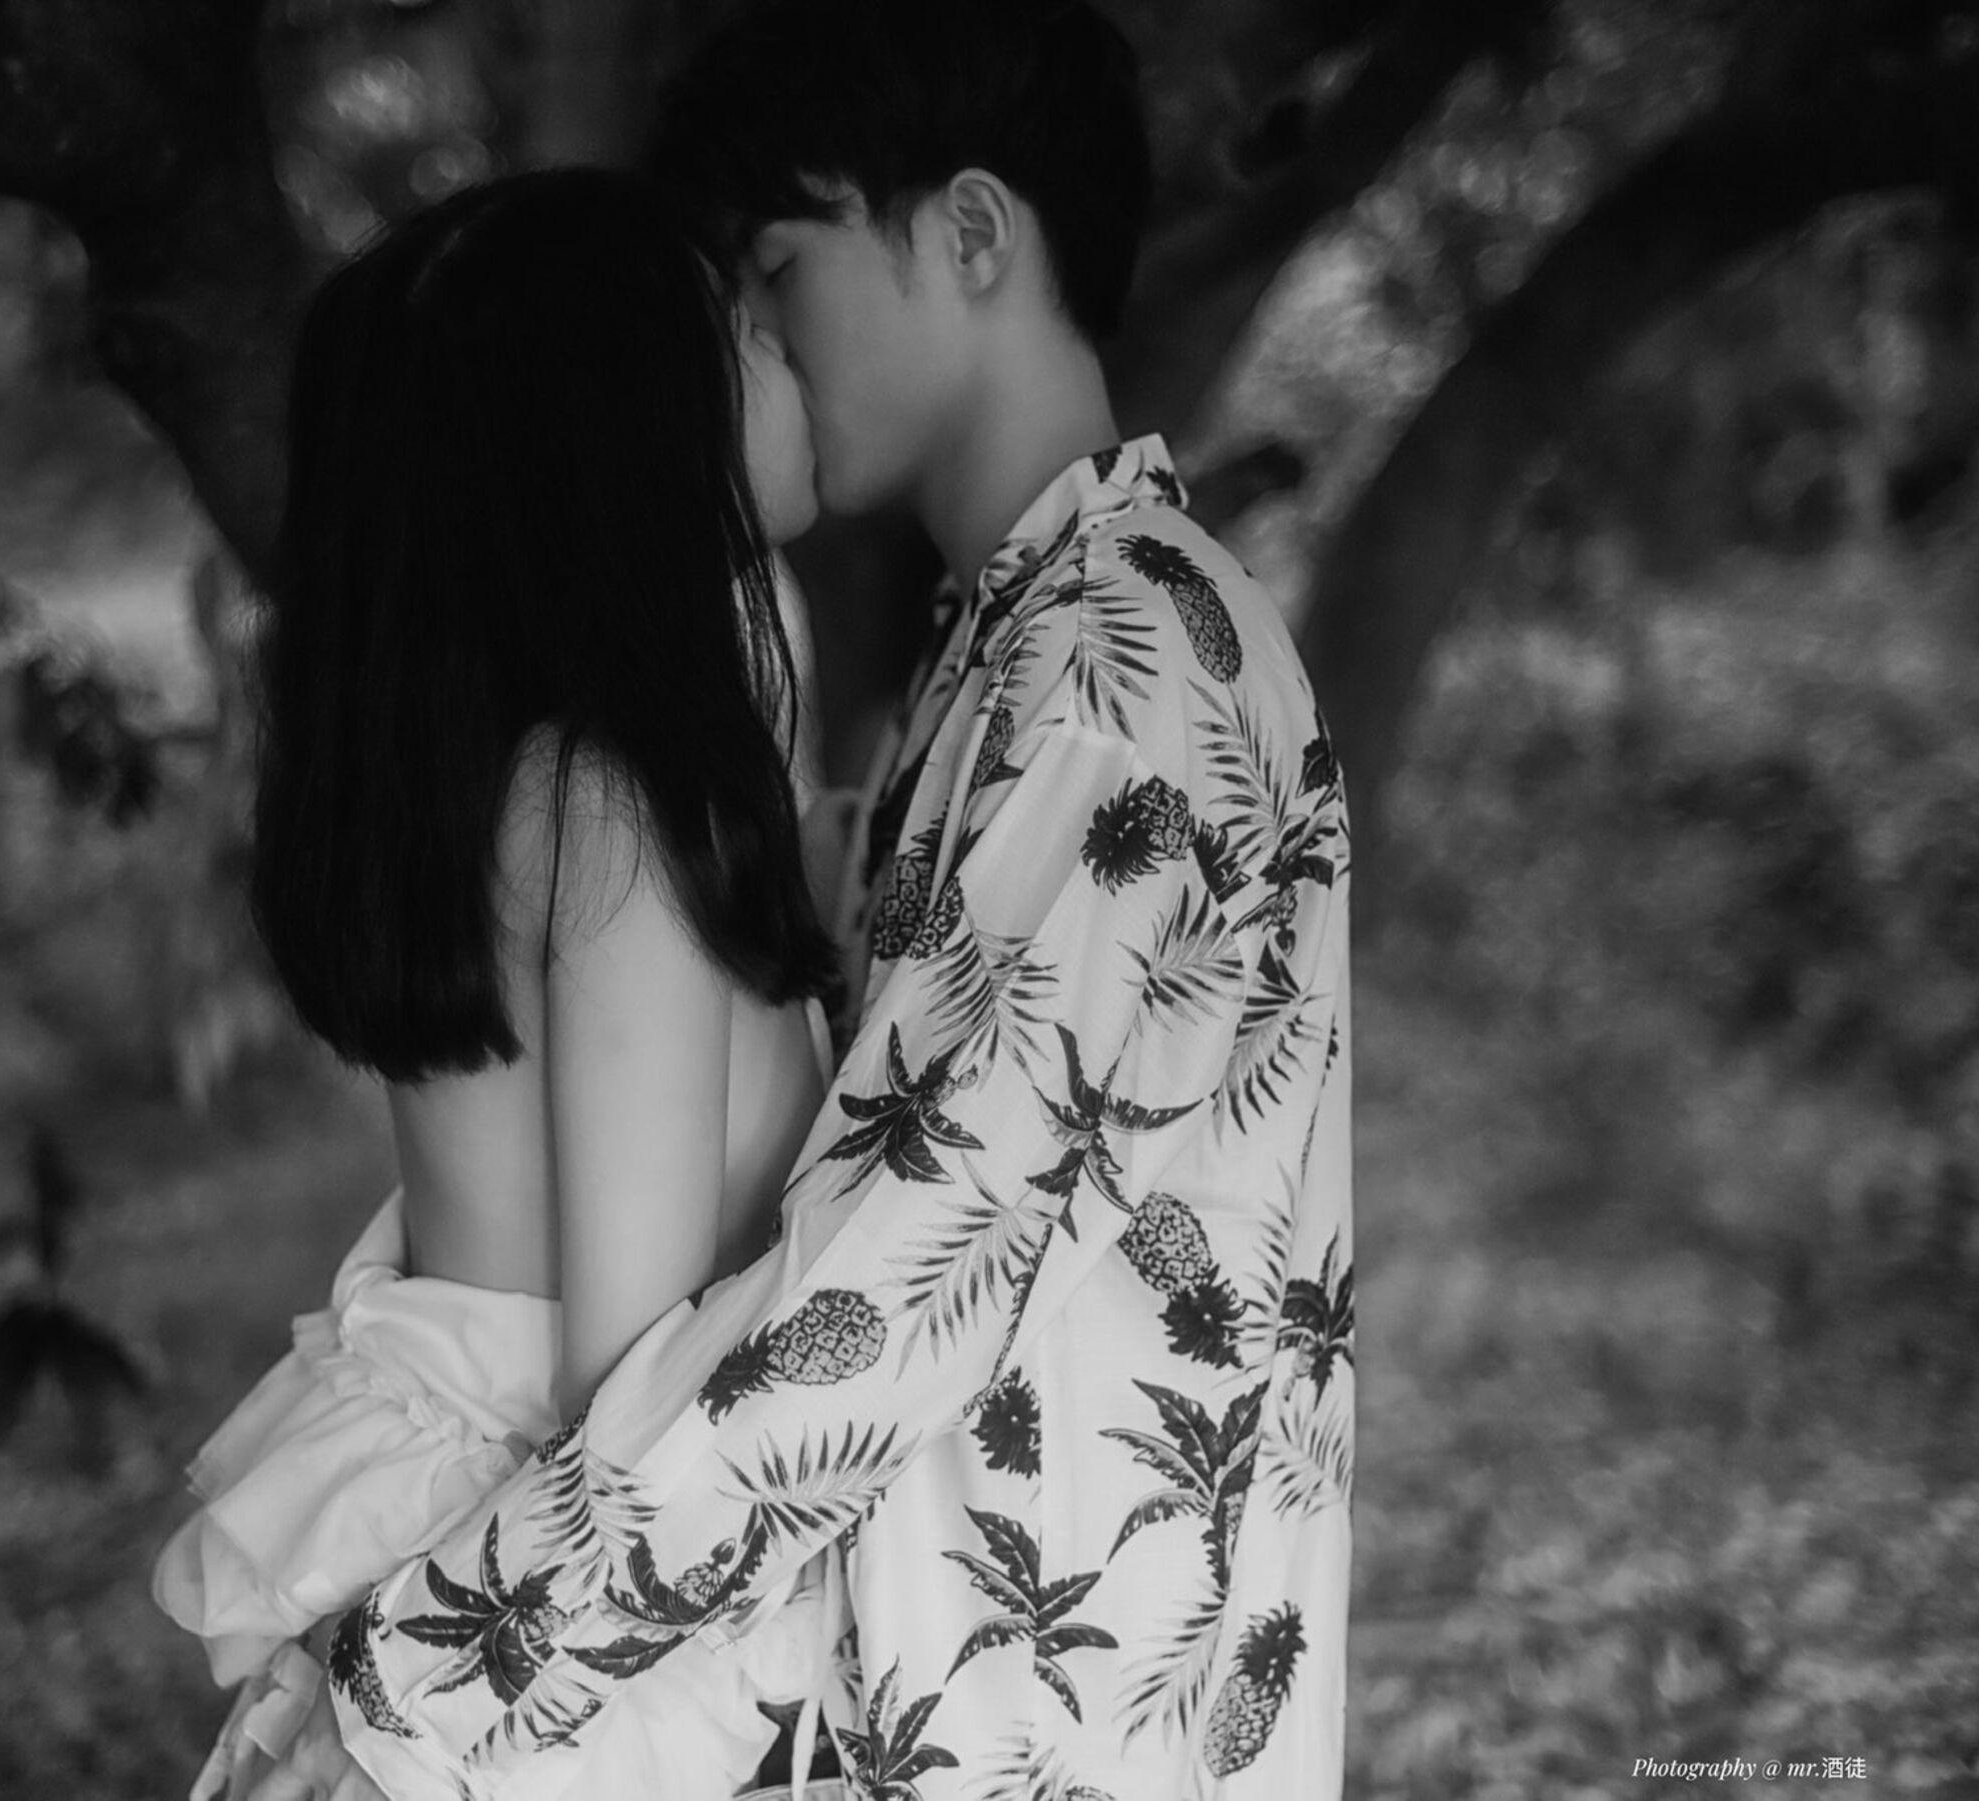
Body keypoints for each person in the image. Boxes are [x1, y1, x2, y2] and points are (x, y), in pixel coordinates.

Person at [326, 2, 1354, 1799]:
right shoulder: (1015, 652)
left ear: (971, 233)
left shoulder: (1113, 677)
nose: (759, 334)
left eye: (780, 267)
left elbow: (889, 1290)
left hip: (1041, 1728)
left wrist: (428, 1677)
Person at [150, 166, 860, 1801]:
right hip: (558, 1591)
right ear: (633, 430)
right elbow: (633, 1391)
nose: (786, 348)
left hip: (485, 1527)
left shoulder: (503, 782)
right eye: (740, 333)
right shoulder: (608, 813)